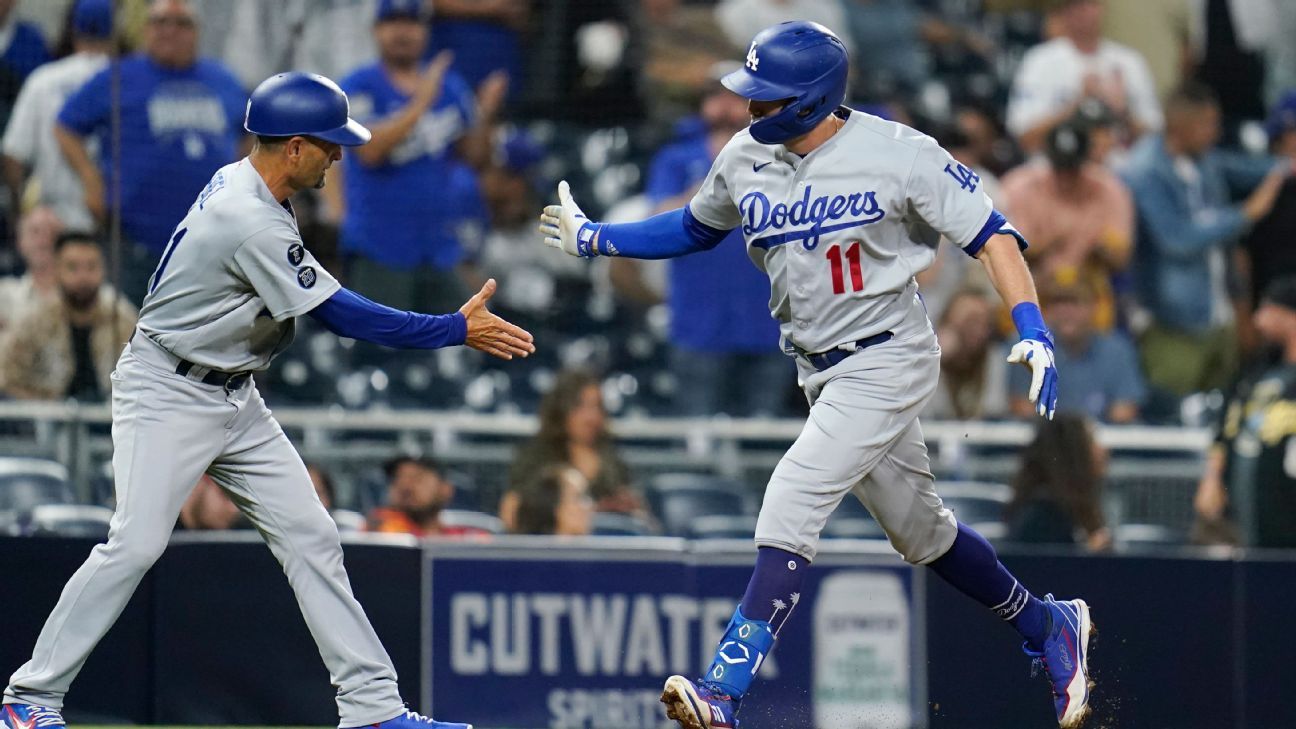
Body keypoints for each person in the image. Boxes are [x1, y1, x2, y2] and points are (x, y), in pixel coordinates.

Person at [539, 22, 1093, 729]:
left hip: (889, 353)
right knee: (924, 534)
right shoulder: (745, 157)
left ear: (812, 98)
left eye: (767, 99)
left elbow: (993, 236)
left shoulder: (899, 153)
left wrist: (1032, 326)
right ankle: (1047, 625)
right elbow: (694, 226)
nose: (751, 110)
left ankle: (722, 689)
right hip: (820, 369)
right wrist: (598, 237)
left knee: (792, 495)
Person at [0, 70, 533, 729]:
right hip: (168, 388)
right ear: (294, 147)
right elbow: (345, 317)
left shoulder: (249, 181)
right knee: (135, 544)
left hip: (231, 390)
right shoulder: (247, 216)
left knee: (313, 534)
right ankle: (30, 697)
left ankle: (372, 709)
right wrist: (453, 328)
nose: (340, 155)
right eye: (330, 144)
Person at [618, 62, 790, 417]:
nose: (724, 106)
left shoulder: (781, 155)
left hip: (767, 320)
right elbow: (657, 217)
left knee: (764, 438)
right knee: (698, 436)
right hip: (698, 323)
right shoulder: (678, 158)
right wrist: (705, 193)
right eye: (715, 96)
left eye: (735, 97)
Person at [54, 0, 248, 304]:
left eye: (181, 24)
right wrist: (91, 180)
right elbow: (66, 126)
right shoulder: (119, 77)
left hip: (210, 243)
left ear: (197, 32)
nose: (170, 31)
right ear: (145, 29)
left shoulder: (223, 80)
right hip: (135, 240)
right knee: (132, 333)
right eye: (160, 22)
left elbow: (249, 133)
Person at [1123, 82, 1289, 401]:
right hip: (1173, 324)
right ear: (1180, 127)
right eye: (1207, 124)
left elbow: (1243, 168)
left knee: (1220, 416)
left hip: (1219, 315)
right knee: (1172, 423)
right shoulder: (1145, 171)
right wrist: (1245, 214)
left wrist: (1286, 167)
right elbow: (1176, 240)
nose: (1215, 132)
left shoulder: (1203, 160)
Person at [336, 0, 504, 315]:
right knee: (382, 351)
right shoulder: (358, 85)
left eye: (412, 23)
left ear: (426, 31)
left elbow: (475, 157)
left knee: (461, 343)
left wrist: (485, 115)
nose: (403, 32)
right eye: (393, 22)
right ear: (376, 30)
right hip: (379, 247)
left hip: (438, 248)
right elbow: (369, 151)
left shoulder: (450, 86)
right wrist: (421, 103)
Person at [998, 120, 1133, 332]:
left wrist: (1098, 252)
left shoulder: (1109, 190)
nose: (1066, 177)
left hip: (1088, 294)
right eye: (1060, 168)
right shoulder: (1019, 186)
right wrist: (1048, 244)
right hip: (1033, 289)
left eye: (1073, 168)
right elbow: (1003, 255)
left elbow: (1120, 258)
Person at [1194, 275, 1296, 549]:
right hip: (1251, 513)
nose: (1258, 321)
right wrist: (1212, 478)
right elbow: (1226, 429)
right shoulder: (1255, 373)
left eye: (1267, 310)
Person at [1, 0, 112, 234]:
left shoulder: (44, 79)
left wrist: (20, 213)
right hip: (111, 222)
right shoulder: (128, 82)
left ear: (73, 29)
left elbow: (13, 157)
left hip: (53, 222)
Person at [1006, 0, 1161, 153]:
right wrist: (1077, 104)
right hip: (1059, 165)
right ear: (1064, 11)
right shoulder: (1040, 61)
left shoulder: (1129, 62)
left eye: (1090, 3)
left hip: (1122, 168)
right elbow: (1023, 137)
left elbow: (1157, 141)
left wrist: (1122, 112)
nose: (1084, 11)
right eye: (1076, 4)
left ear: (1101, 8)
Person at [0, 231, 136, 401]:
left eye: (91, 267)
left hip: (111, 421)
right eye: (73, 267)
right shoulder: (34, 322)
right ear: (56, 270)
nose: (83, 277)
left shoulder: (122, 321)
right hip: (48, 420)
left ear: (103, 270)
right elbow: (8, 378)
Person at [502, 369, 641, 528]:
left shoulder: (613, 461)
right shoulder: (535, 457)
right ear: (562, 409)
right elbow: (511, 511)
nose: (591, 417)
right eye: (581, 406)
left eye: (597, 406)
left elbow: (636, 516)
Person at [1010, 271, 1145, 423]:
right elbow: (1022, 409)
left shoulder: (1118, 350)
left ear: (1094, 307)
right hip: (1045, 442)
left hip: (1100, 442)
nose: (1067, 311)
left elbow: (1124, 412)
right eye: (1058, 303)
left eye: (1075, 302)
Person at [1006, 414, 1111, 551]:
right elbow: (1046, 569)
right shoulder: (1041, 518)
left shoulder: (1073, 509)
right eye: (1091, 440)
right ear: (1072, 452)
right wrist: (1087, 555)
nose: (1103, 450)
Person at [924, 289, 1010, 421]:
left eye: (985, 323)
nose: (978, 330)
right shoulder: (928, 358)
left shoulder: (992, 358)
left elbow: (993, 413)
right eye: (970, 321)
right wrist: (934, 358)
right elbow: (929, 414)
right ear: (947, 324)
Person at [367, 456, 483, 538]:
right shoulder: (382, 527)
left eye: (417, 478)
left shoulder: (464, 537)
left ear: (445, 489)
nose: (406, 486)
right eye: (398, 479)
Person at [0, 206, 62, 331]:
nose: (44, 240)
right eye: (35, 232)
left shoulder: (89, 295)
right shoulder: (4, 294)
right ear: (20, 242)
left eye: (52, 232)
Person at [510, 466, 595, 537]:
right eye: (578, 497)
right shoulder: (525, 555)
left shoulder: (601, 555)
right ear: (553, 508)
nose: (589, 504)